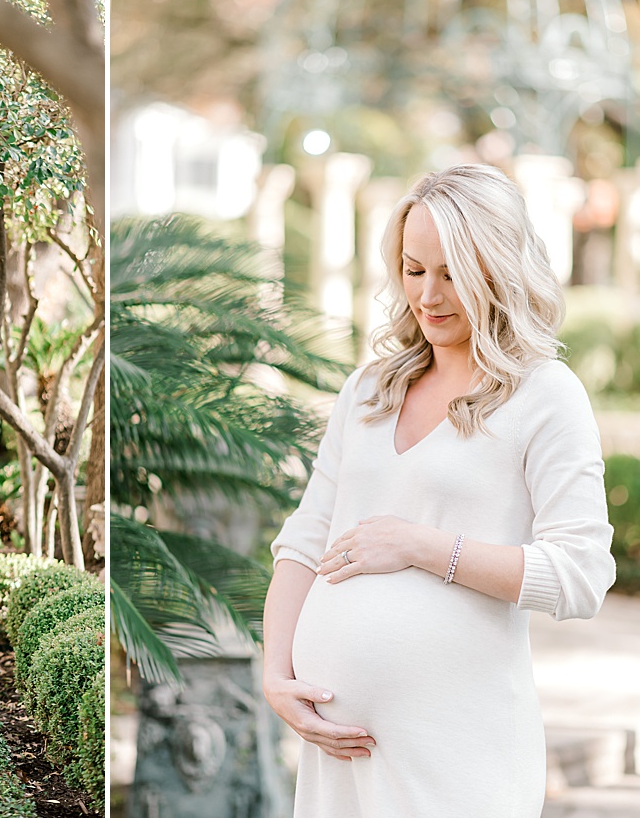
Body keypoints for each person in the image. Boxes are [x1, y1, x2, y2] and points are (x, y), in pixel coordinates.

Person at [262, 164, 617, 816]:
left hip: (459, 748)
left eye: (452, 271)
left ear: (498, 267)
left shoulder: (545, 394)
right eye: (413, 268)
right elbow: (306, 537)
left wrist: (423, 547)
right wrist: (276, 676)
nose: (428, 294)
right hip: (338, 748)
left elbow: (582, 575)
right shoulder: (370, 387)